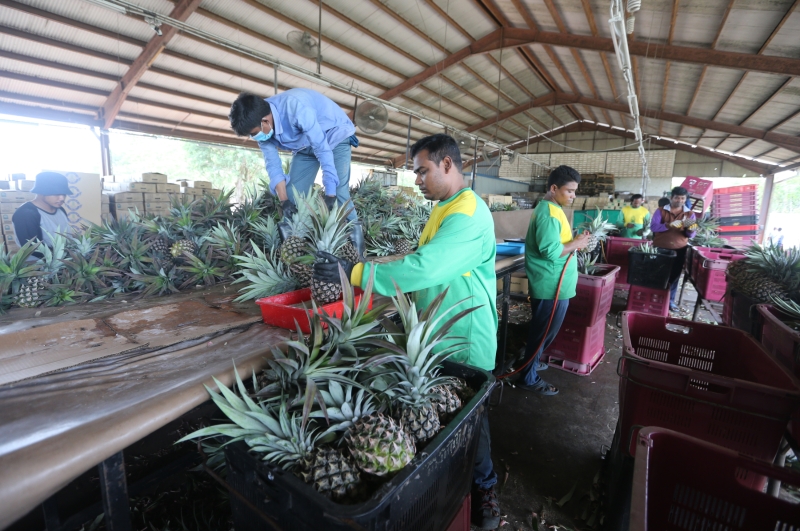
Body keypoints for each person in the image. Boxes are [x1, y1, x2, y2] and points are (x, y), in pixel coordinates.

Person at [313, 134, 501, 529]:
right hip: (438, 335)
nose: (416, 179)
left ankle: (486, 491)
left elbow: (427, 268)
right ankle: (452, 489)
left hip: (463, 340)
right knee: (445, 425)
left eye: (422, 170)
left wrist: (357, 272)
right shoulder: (446, 207)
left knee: (470, 426)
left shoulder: (468, 213)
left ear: (447, 164)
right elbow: (423, 262)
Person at [228, 90, 359, 221]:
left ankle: (356, 236)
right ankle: (298, 237)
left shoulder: (295, 107)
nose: (255, 137)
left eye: (254, 133)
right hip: (304, 145)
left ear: (265, 121)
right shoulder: (261, 130)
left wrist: (330, 193)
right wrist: (284, 201)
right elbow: (273, 166)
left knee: (338, 191)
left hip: (334, 135)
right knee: (293, 194)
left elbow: (321, 148)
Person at [517, 166, 590, 396]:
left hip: (557, 284)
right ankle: (527, 377)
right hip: (551, 286)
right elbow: (550, 250)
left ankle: (532, 359)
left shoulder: (554, 209)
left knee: (545, 332)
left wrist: (575, 240)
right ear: (554, 188)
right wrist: (576, 244)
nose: (573, 196)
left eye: (575, 191)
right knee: (543, 333)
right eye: (569, 191)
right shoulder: (548, 213)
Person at [650, 186, 697, 312]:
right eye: (677, 198)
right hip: (660, 248)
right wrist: (668, 225)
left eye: (682, 198)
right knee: (657, 275)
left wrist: (691, 230)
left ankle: (669, 302)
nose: (679, 200)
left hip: (679, 249)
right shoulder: (661, 211)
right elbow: (654, 227)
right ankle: (654, 300)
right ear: (672, 198)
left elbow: (690, 235)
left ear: (685, 199)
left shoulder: (688, 214)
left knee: (674, 277)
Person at [12, 171, 72, 251]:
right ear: (41, 192)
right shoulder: (26, 213)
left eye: (64, 194)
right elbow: (32, 248)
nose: (62, 198)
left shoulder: (60, 210)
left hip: (65, 259)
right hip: (37, 262)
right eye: (56, 193)